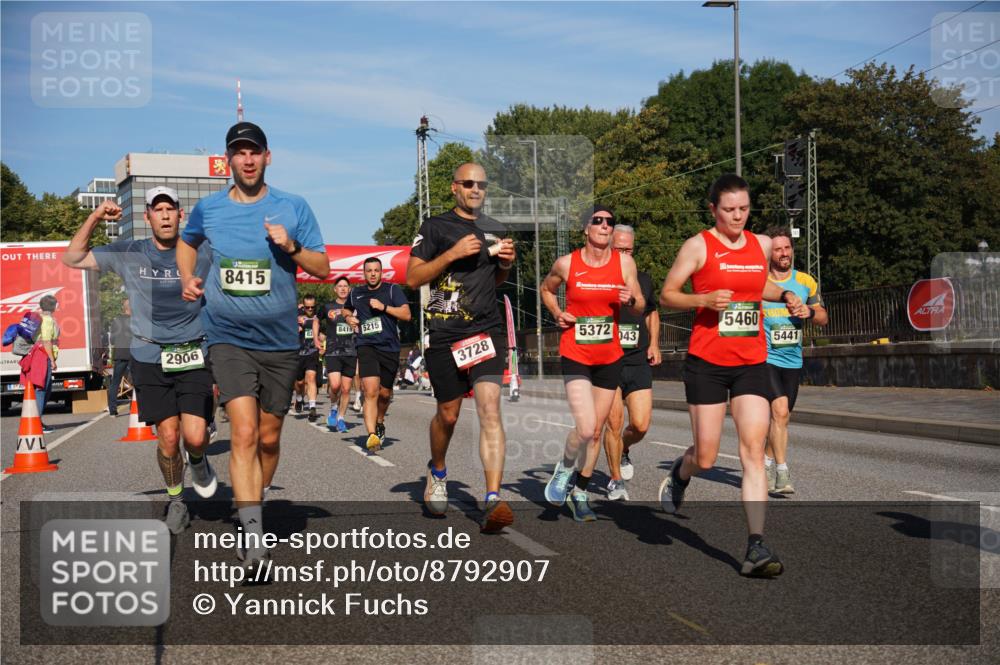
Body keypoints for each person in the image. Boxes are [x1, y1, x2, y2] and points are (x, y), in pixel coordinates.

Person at [178, 122, 329, 566]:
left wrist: (291, 245)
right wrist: (188, 277)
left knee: (268, 438)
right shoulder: (209, 209)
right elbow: (187, 244)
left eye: (254, 152)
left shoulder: (293, 206)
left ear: (267, 157)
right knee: (242, 432)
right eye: (239, 152)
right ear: (228, 159)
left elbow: (322, 268)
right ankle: (253, 537)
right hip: (228, 337)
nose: (247, 160)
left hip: (279, 342)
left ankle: (252, 502)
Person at [657, 174, 806, 578]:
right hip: (707, 363)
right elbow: (667, 294)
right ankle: (682, 471)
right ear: (713, 210)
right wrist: (702, 299)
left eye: (743, 208)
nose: (737, 216)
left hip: (752, 362)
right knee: (706, 457)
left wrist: (786, 294)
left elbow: (757, 287)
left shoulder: (761, 244)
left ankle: (756, 544)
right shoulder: (698, 246)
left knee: (753, 452)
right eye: (729, 210)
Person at [63, 191, 219, 534]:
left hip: (194, 351)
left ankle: (198, 459)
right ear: (147, 217)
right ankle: (177, 501)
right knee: (168, 437)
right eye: (157, 210)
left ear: (180, 215)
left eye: (170, 209)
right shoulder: (130, 251)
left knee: (195, 437)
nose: (164, 215)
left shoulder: (202, 250)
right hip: (149, 355)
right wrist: (95, 217)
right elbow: (73, 257)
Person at [406, 161, 517, 533]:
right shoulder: (434, 227)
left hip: (486, 331)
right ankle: (438, 470)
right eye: (468, 184)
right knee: (449, 415)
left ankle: (493, 498)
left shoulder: (496, 229)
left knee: (489, 409)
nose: (475, 190)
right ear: (454, 187)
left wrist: (506, 265)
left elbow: (493, 280)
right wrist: (451, 254)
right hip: (445, 333)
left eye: (481, 185)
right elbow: (413, 278)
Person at [540, 205, 645, 521]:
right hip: (576, 354)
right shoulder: (567, 263)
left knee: (596, 431)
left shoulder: (624, 263)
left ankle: (581, 492)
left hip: (609, 356)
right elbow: (547, 289)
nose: (604, 225)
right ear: (586, 228)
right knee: (585, 427)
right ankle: (564, 468)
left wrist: (631, 300)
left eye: (609, 222)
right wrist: (557, 312)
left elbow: (640, 305)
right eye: (597, 221)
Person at [762, 227, 828, 494]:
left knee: (782, 418)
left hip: (792, 359)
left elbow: (823, 317)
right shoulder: (761, 282)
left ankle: (765, 462)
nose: (784, 253)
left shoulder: (805, 281)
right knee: (779, 412)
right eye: (778, 249)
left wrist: (809, 311)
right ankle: (782, 472)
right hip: (765, 357)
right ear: (770, 253)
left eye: (787, 248)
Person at [601, 225, 661, 500]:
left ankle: (623, 449)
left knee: (641, 424)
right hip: (608, 360)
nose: (625, 254)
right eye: (619, 249)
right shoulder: (599, 279)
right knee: (614, 422)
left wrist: (655, 343)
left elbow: (651, 312)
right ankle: (615, 480)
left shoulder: (643, 280)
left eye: (629, 250)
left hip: (637, 359)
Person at [343, 257, 410, 451]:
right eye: (369, 270)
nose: (372, 274)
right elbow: (346, 308)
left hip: (389, 347)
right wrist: (348, 317)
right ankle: (372, 435)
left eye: (376, 270)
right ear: (364, 273)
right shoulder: (356, 292)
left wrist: (384, 307)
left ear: (381, 272)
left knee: (385, 394)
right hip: (366, 345)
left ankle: (380, 421)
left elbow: (406, 315)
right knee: (370, 390)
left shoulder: (392, 290)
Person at [321, 276, 357, 432]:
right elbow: (315, 320)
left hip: (351, 351)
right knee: (335, 385)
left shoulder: (356, 307)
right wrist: (317, 337)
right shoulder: (328, 306)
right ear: (335, 289)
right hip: (333, 351)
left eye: (345, 286)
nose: (343, 289)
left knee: (347, 389)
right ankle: (333, 407)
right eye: (340, 286)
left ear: (349, 289)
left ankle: (341, 418)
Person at [293, 294, 322, 421]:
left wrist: (322, 341)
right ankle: (299, 398)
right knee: (299, 383)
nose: (310, 309)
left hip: (312, 352)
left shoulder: (318, 317)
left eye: (312, 307)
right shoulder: (297, 316)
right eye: (307, 307)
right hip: (298, 353)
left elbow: (324, 333)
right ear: (303, 307)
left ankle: (312, 407)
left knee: (311, 378)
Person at [35, 294, 60, 434]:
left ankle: (37, 420)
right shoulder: (48, 320)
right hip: (43, 358)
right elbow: (46, 341)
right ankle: (36, 422)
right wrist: (52, 360)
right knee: (42, 389)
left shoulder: (40, 317)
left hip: (38, 357)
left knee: (45, 389)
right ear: (53, 306)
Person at [107, 298, 133, 417]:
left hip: (120, 354)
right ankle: (137, 407)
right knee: (137, 381)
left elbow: (112, 340)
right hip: (133, 354)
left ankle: (112, 410)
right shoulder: (135, 320)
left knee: (115, 382)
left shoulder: (116, 321)